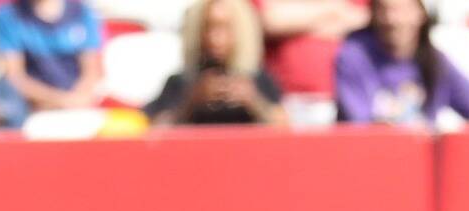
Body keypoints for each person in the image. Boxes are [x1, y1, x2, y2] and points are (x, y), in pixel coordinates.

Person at [331, 0, 469, 128]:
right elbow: (360, 127)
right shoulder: (354, 56)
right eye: (383, 9)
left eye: (402, 9)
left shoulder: (435, 62)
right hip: (371, 160)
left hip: (420, 163)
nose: (392, 20)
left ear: (421, 13)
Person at [145, 0, 283, 127]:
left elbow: (286, 126)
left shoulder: (257, 80)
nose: (215, 39)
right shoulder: (181, 82)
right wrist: (191, 103)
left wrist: (254, 102)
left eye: (225, 28)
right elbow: (154, 129)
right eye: (208, 28)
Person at [0, 0, 103, 111]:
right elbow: (15, 76)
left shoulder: (81, 11)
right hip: (34, 109)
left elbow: (91, 71)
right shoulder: (9, 16)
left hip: (80, 107)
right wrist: (61, 100)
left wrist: (76, 100)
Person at [252, 0, 362, 100]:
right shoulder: (333, 7)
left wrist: (297, 24)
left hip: (342, 99)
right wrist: (333, 8)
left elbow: (363, 20)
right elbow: (270, 21)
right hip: (283, 99)